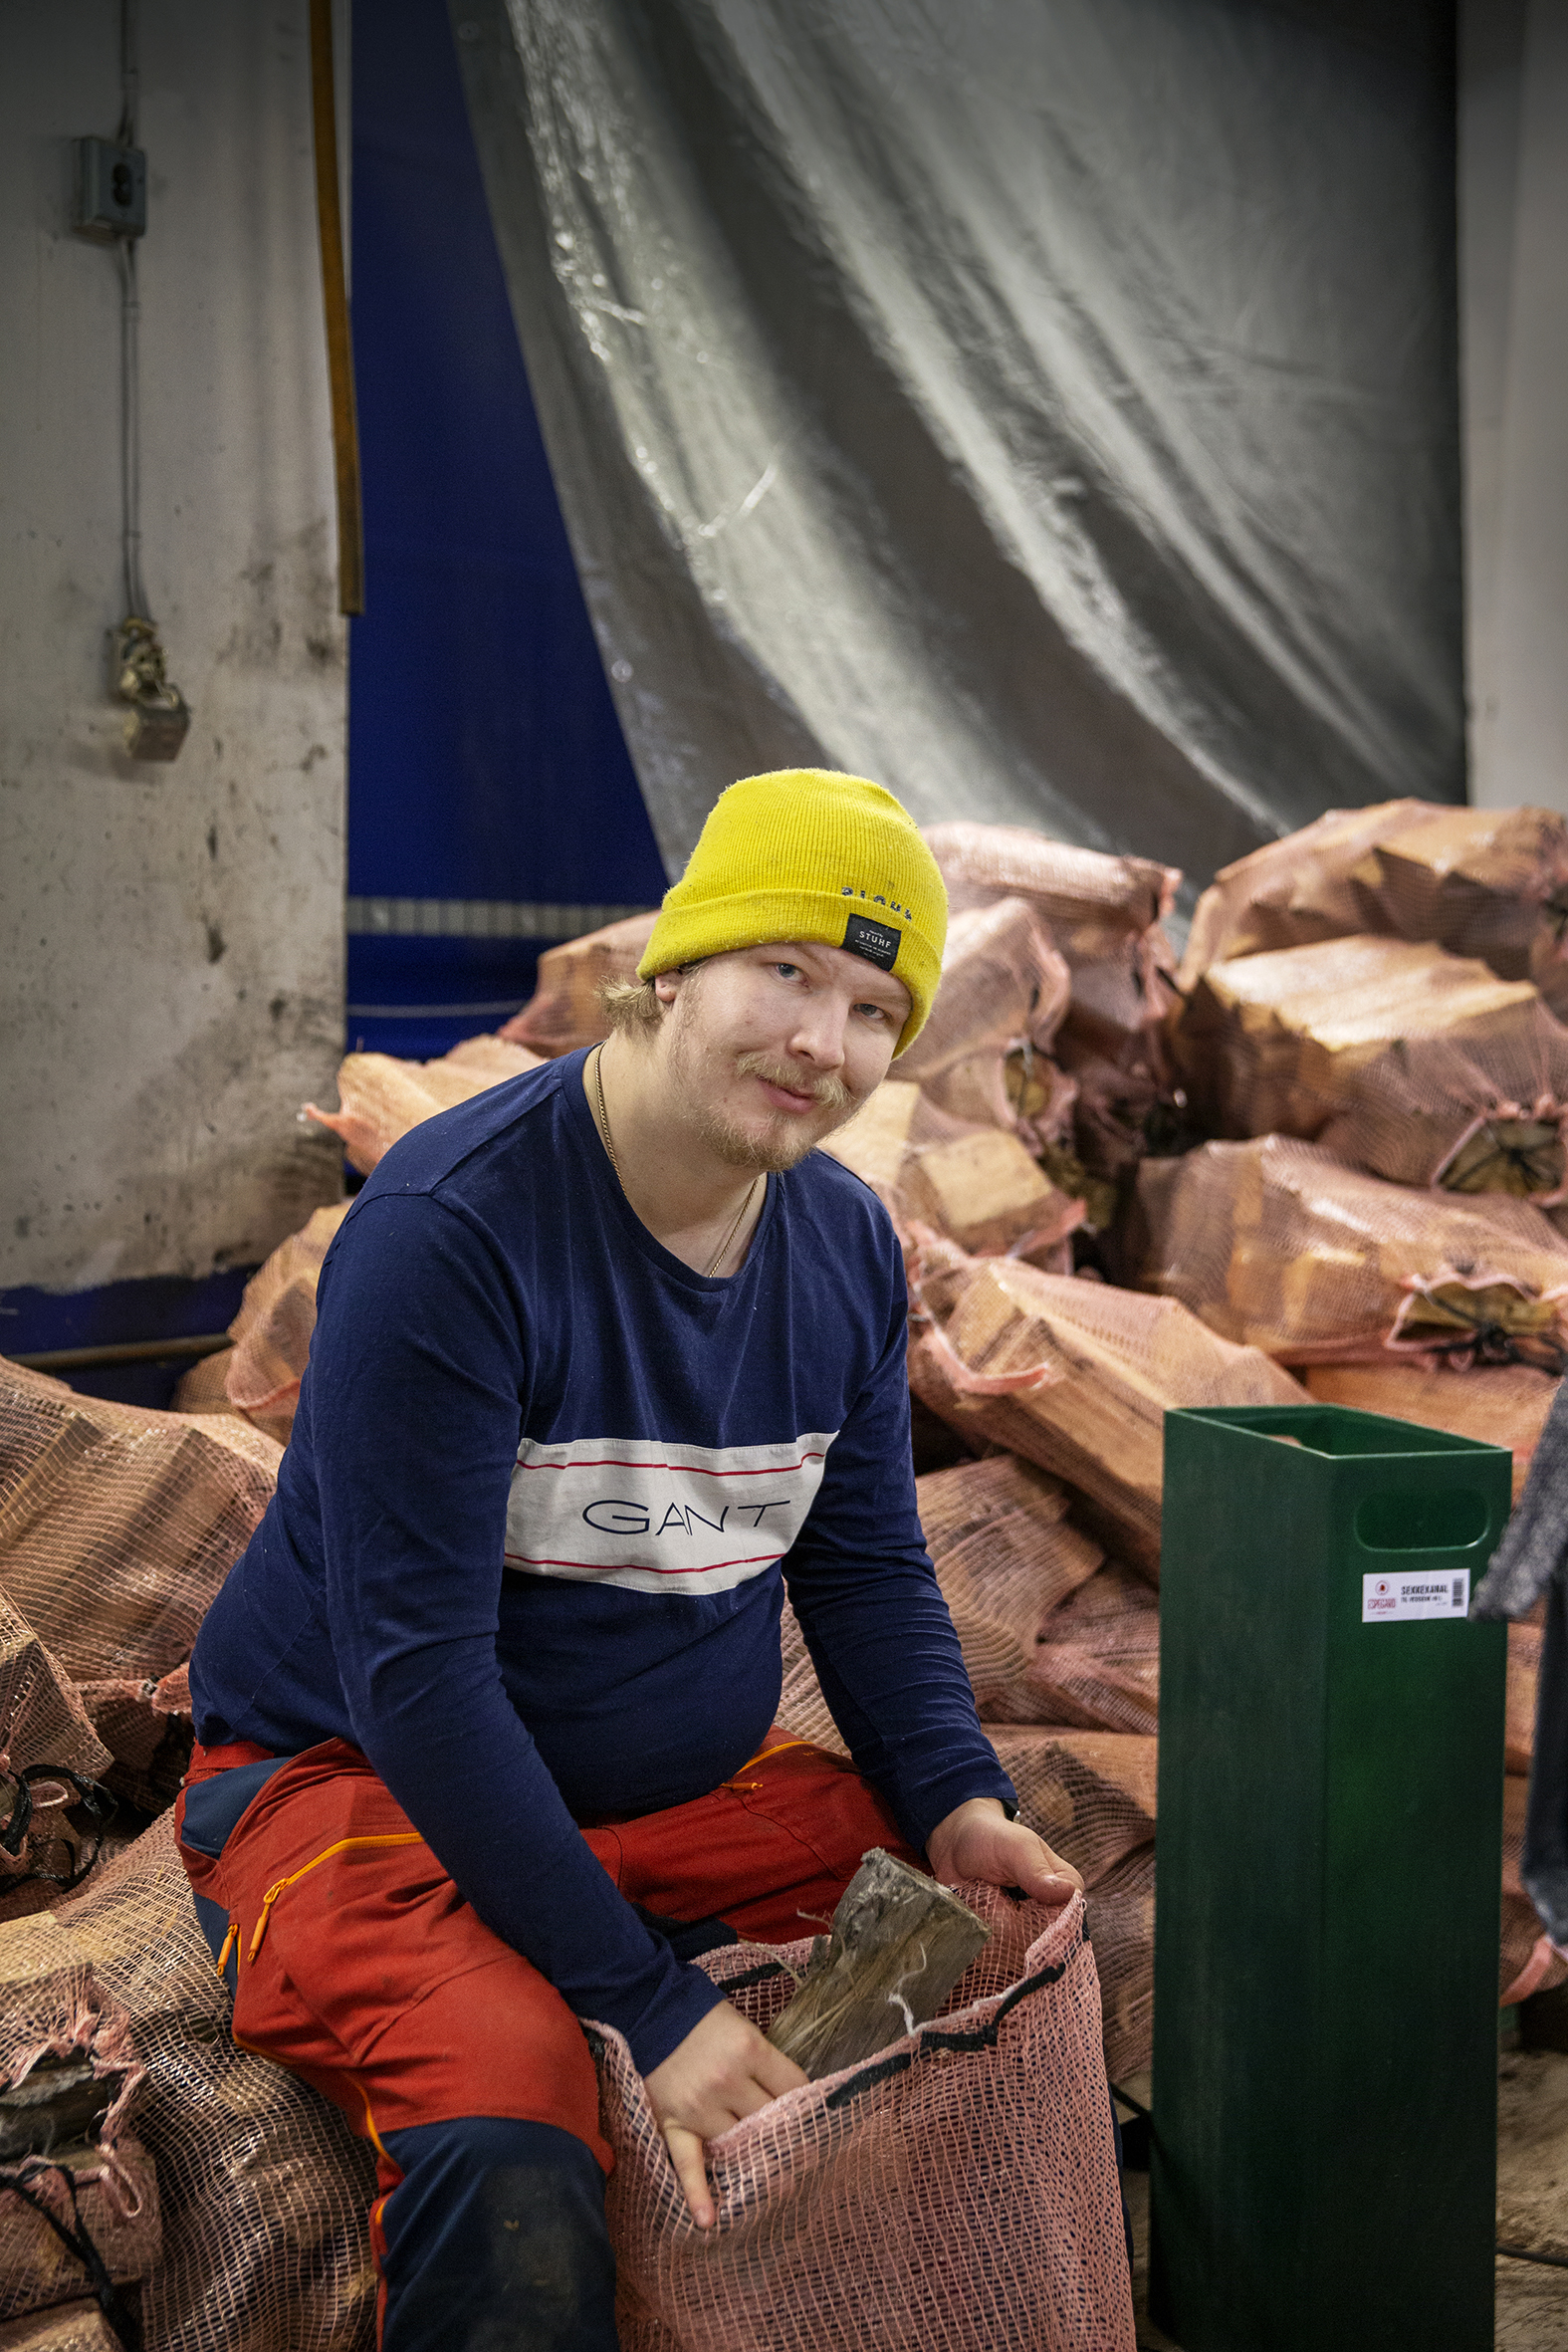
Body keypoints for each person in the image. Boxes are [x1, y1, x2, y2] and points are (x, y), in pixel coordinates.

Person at [176, 769, 1083, 2352]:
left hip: (669, 1802)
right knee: (512, 2111)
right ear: (672, 971)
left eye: (875, 1008)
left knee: (951, 1940)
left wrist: (957, 1795)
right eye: (785, 971)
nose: (823, 1041)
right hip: (361, 1780)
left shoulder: (846, 1249)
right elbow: (420, 1677)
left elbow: (865, 1569)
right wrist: (648, 2006)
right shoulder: (455, 1231)